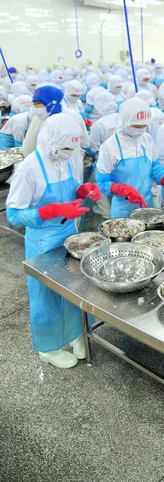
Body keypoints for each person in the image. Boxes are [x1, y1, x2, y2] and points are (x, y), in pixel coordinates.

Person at [6, 114, 102, 368]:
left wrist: (84, 191)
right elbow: (14, 214)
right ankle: (48, 346)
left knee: (75, 287)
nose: (69, 152)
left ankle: (76, 332)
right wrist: (53, 210)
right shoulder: (29, 169)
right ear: (50, 141)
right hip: (43, 242)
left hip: (71, 236)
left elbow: (73, 186)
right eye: (65, 148)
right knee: (45, 295)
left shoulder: (66, 159)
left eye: (73, 148)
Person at [96, 98, 164, 217]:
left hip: (146, 205)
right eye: (135, 126)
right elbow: (101, 183)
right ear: (123, 121)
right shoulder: (109, 147)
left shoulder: (147, 139)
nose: (140, 130)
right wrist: (123, 189)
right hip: (123, 210)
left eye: (143, 126)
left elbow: (157, 171)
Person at [22, 86, 64, 157]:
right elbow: (28, 147)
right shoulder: (38, 119)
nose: (34, 107)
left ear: (52, 103)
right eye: (34, 104)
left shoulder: (65, 120)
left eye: (38, 103)